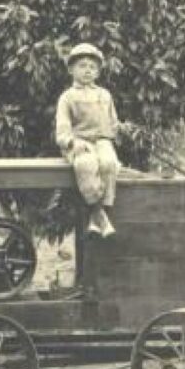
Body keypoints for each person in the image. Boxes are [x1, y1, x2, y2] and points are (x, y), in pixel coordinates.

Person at [55, 43, 120, 237]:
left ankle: (97, 215)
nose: (87, 71)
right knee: (85, 164)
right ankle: (99, 215)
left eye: (92, 67)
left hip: (101, 141)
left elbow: (113, 124)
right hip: (79, 143)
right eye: (82, 66)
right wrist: (72, 142)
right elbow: (62, 131)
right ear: (71, 69)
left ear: (98, 72)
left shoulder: (105, 95)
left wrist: (120, 130)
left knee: (109, 163)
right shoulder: (67, 97)